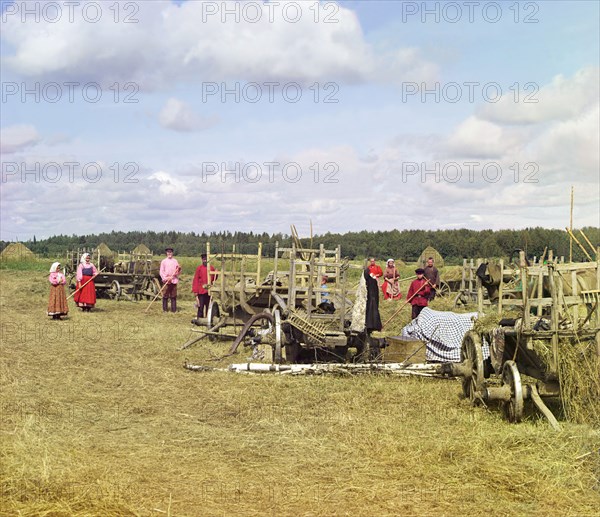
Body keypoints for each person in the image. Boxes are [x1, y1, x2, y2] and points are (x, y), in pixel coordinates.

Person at [192, 253, 216, 319]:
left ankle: (208, 318)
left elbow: (214, 278)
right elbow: (196, 280)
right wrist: (195, 291)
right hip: (201, 290)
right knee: (201, 305)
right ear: (202, 260)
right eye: (204, 259)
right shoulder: (199, 268)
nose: (205, 261)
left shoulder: (211, 268)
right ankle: (200, 318)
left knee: (209, 306)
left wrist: (216, 273)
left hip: (209, 290)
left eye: (206, 259)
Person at [160, 247, 181, 313]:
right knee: (165, 295)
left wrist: (179, 269)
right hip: (166, 280)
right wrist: (166, 278)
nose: (169, 253)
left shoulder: (175, 261)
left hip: (173, 280)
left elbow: (177, 272)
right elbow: (161, 271)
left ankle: (173, 310)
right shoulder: (164, 261)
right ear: (166, 253)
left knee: (173, 296)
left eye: (170, 252)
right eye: (168, 252)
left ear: (172, 253)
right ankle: (165, 309)